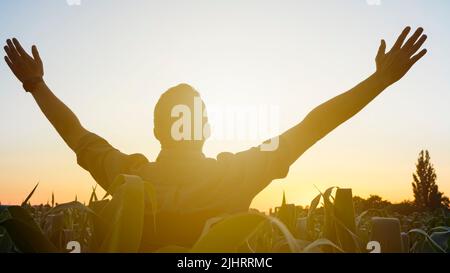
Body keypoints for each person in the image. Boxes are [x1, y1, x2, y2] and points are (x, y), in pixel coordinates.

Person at [3, 27, 427, 249]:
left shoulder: (127, 174)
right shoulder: (236, 173)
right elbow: (312, 125)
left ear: (155, 130)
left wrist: (37, 86)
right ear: (207, 129)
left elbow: (76, 134)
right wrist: (379, 81)